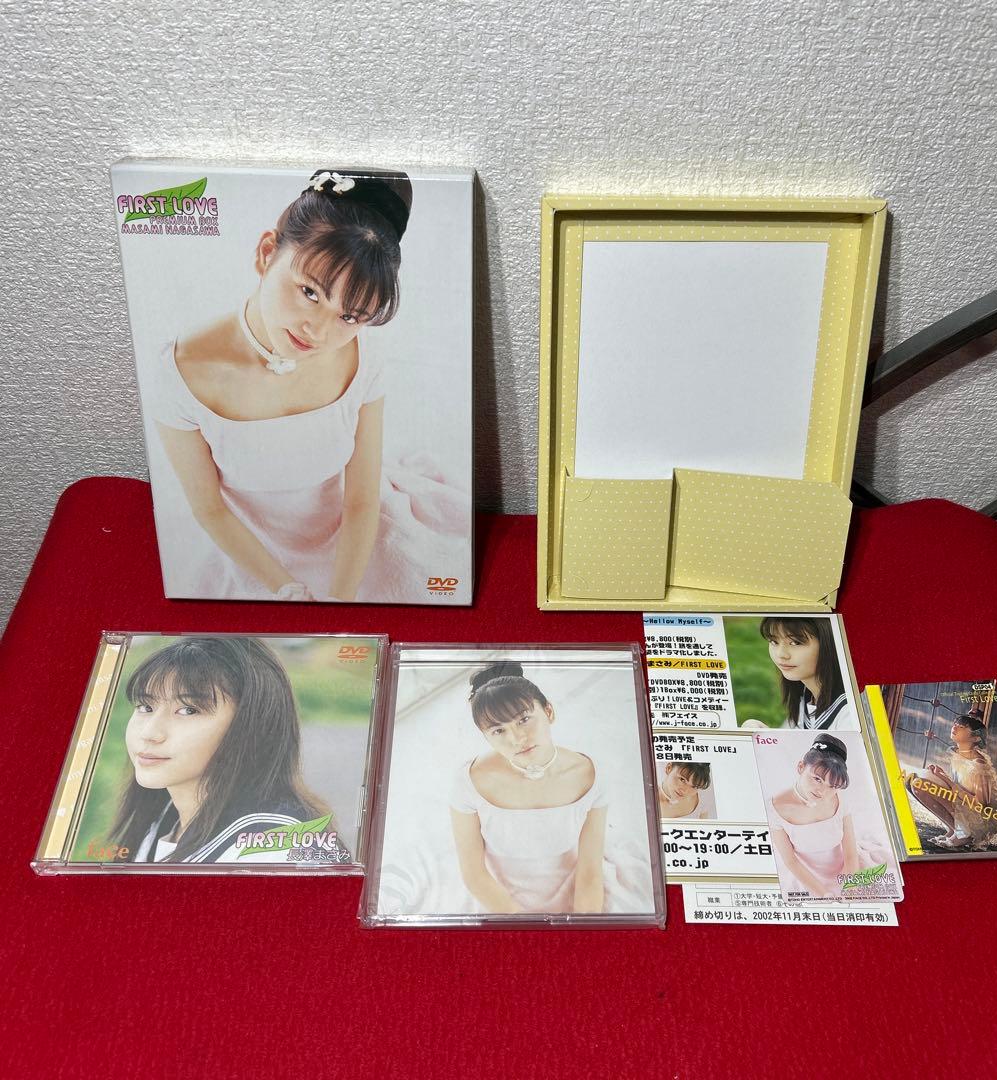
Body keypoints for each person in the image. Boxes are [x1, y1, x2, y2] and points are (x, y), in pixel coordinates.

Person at [148, 169, 412, 601]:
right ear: (267, 253)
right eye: (310, 292)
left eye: (349, 316)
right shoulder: (182, 370)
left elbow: (362, 500)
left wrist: (339, 602)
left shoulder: (363, 357)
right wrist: (286, 588)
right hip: (243, 550)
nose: (318, 331)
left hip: (352, 543)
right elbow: (209, 508)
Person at [110, 637, 349, 864]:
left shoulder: (275, 850)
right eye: (145, 706)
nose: (150, 733)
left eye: (188, 710)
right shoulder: (162, 820)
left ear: (251, 725)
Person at [450, 662, 642, 914]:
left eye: (524, 719)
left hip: (574, 882)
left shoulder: (588, 775)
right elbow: (474, 875)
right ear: (486, 737)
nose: (516, 738)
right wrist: (524, 925)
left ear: (549, 711)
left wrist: (582, 928)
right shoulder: (471, 781)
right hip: (496, 893)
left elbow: (590, 871)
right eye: (498, 730)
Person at [766, 734, 882, 899]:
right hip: (806, 876)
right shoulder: (776, 808)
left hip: (848, 868)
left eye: (832, 786)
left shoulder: (840, 799)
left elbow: (850, 852)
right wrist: (824, 894)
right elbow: (791, 861)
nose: (822, 791)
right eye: (817, 779)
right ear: (801, 767)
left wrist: (851, 885)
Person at [906, 711, 997, 850]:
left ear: (975, 738)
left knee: (920, 784)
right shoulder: (957, 754)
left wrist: (945, 779)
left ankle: (964, 834)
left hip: (981, 819)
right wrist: (941, 775)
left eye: (962, 727)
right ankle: (954, 829)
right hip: (965, 804)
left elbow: (981, 804)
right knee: (911, 781)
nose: (955, 727)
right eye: (955, 724)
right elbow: (961, 785)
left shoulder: (978, 765)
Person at [755, 616, 854, 730]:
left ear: (829, 643)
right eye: (774, 642)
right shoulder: (805, 694)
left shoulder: (849, 714)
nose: (781, 654)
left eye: (795, 643)